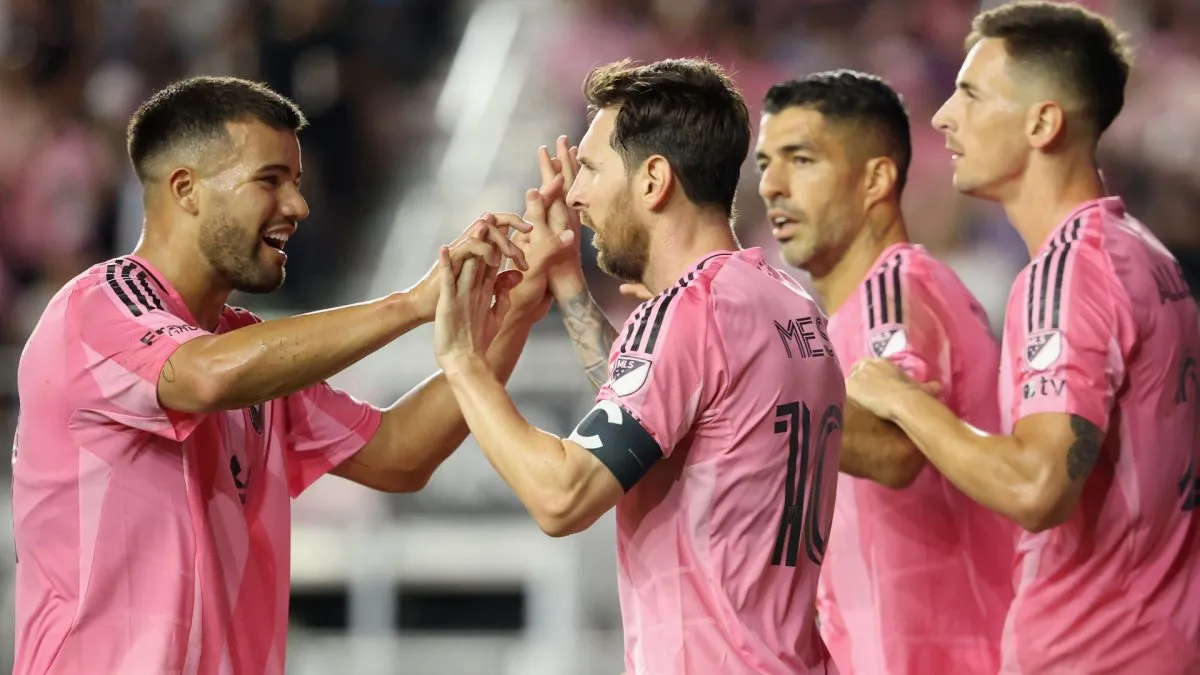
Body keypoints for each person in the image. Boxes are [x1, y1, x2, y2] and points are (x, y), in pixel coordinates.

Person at [10, 76, 552, 674]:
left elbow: (400, 455)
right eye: (270, 180)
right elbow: (203, 377)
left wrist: (513, 316)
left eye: (296, 182)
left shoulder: (248, 352)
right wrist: (410, 305)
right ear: (186, 189)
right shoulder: (97, 307)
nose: (298, 206)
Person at [433, 58, 844, 674]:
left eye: (592, 169)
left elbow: (562, 496)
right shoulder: (786, 303)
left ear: (653, 179)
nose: (576, 196)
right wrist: (568, 284)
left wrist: (463, 359)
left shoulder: (689, 311)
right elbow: (654, 417)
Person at [848, 3, 1200, 672]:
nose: (944, 116)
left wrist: (902, 398)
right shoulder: (1145, 254)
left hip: (1090, 653)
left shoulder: (1069, 273)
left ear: (1043, 123)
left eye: (972, 94)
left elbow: (1038, 487)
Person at [754, 70, 1014, 674]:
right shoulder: (848, 317)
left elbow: (894, 451)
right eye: (766, 163)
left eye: (801, 160)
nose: (772, 185)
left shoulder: (894, 293)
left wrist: (734, 389)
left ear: (876, 179)